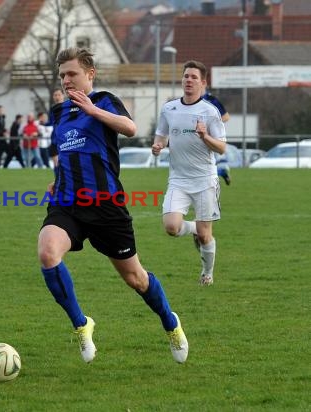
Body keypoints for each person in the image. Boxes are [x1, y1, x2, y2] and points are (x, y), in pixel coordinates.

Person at [39, 47, 188, 364]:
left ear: (89, 74)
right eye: (62, 75)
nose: (66, 80)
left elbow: (131, 129)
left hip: (106, 206)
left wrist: (93, 111)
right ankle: (82, 325)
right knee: (47, 253)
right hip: (68, 202)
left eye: (72, 74)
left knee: (136, 279)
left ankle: (170, 322)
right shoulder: (59, 113)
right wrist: (56, 178)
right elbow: (63, 152)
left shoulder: (105, 100)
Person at [152, 60, 227, 286]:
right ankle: (193, 227)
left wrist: (205, 137)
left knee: (206, 236)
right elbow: (161, 136)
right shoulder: (169, 108)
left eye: (194, 77)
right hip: (178, 179)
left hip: (205, 180)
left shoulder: (210, 112)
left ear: (203, 83)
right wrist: (158, 146)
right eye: (186, 76)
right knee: (171, 227)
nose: (189, 80)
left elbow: (222, 148)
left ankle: (207, 273)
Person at [203, 89, 231, 185]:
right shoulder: (189, 99)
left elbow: (226, 117)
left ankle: (221, 172)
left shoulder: (211, 100)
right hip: (197, 137)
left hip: (210, 138)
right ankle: (222, 172)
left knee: (208, 166)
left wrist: (212, 125)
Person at [48, 88, 65, 169]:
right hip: (55, 139)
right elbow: (51, 122)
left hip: (65, 139)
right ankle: (58, 180)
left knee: (64, 164)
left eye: (59, 95)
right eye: (55, 95)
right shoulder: (53, 109)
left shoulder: (68, 107)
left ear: (63, 95)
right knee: (56, 164)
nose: (57, 97)